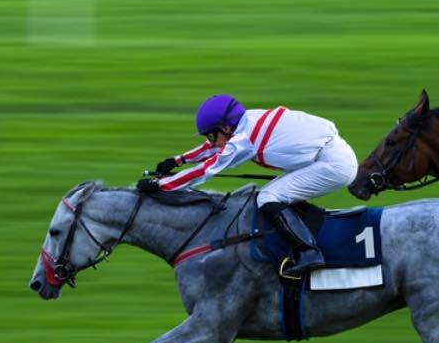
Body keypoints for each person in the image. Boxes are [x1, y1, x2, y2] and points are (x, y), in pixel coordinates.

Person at [137, 94, 359, 277]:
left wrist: (161, 185)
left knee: (268, 198)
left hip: (333, 164)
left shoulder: (244, 139)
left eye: (211, 135)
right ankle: (304, 238)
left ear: (225, 128)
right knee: (272, 194)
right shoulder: (247, 120)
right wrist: (177, 160)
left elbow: (206, 170)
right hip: (327, 156)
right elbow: (214, 148)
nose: (211, 141)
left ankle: (309, 253)